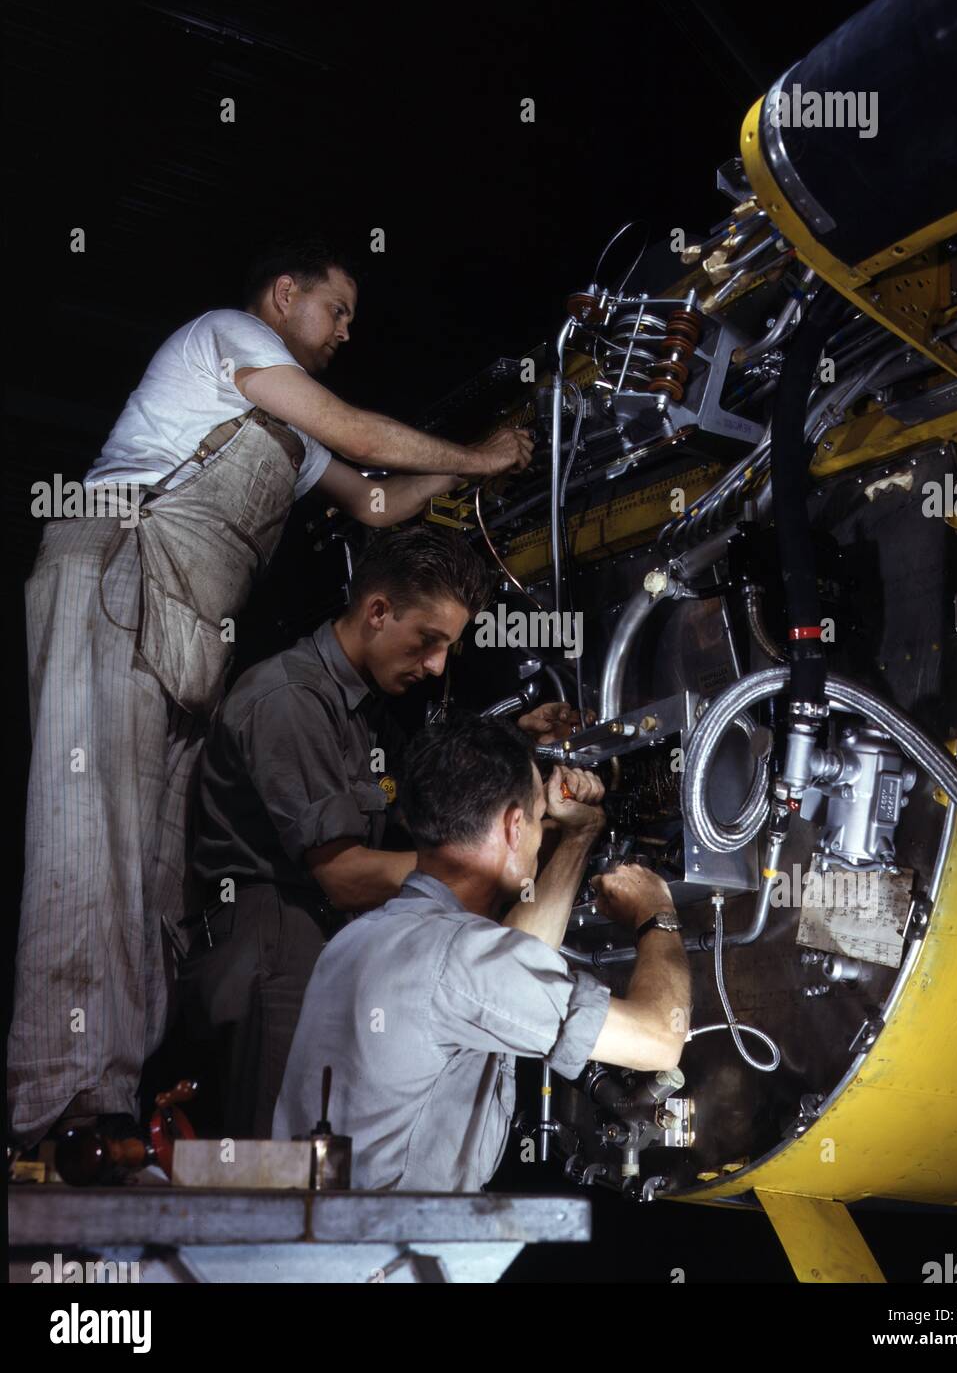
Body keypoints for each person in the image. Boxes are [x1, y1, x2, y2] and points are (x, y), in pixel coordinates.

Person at [10, 234, 532, 1147]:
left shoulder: (287, 441)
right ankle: (54, 1111)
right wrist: (482, 455)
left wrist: (471, 465)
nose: (342, 334)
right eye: (336, 312)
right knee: (88, 840)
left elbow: (373, 500)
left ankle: (106, 1108)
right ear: (283, 294)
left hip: (175, 622)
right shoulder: (226, 338)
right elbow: (358, 431)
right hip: (117, 571)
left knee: (148, 876)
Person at [182, 525, 584, 1138]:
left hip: (315, 933)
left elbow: (419, 794)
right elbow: (344, 876)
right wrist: (487, 855)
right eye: (428, 641)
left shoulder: (359, 703)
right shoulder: (291, 700)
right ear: (376, 611)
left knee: (325, 1158)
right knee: (279, 1170)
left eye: (448, 646)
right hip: (272, 937)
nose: (437, 664)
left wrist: (516, 740)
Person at [273, 718, 691, 1191]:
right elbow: (659, 1037)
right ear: (515, 827)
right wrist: (656, 913)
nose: (539, 833)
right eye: (538, 819)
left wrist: (579, 837)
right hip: (395, 1252)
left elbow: (514, 965)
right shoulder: (461, 961)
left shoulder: (358, 939)